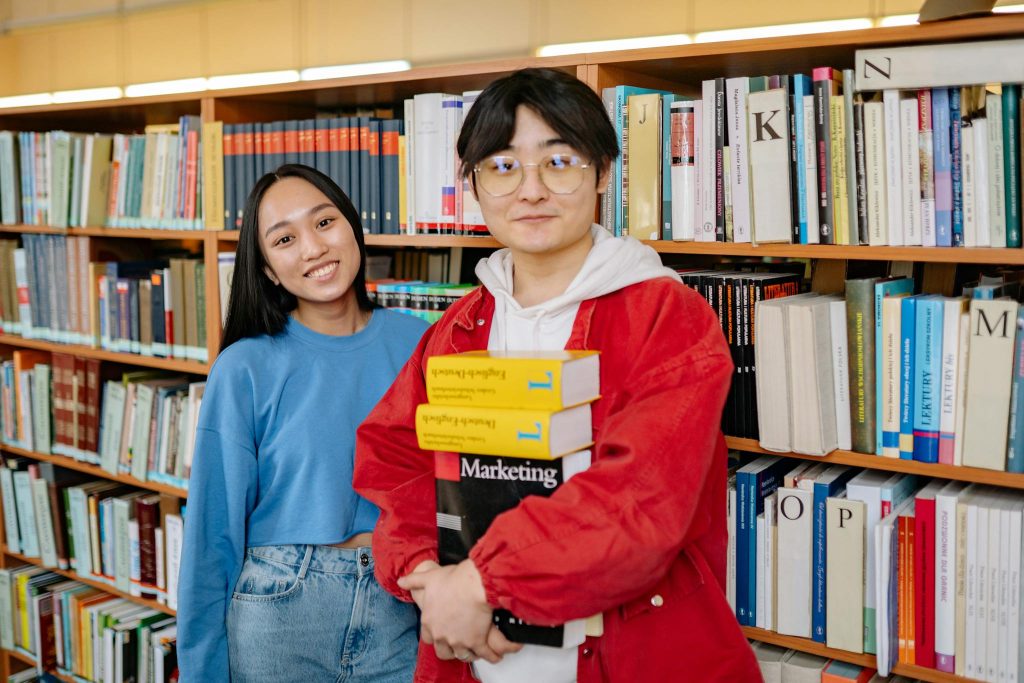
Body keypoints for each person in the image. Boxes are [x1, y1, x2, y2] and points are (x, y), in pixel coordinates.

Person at [354, 68, 760, 682]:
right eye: (502, 165)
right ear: (474, 184)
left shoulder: (667, 318)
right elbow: (399, 464)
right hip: (476, 659)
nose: (531, 189)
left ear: (602, 172)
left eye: (560, 160)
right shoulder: (459, 327)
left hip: (633, 655)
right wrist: (429, 579)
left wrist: (482, 581)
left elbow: (639, 505)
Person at [178, 164, 428, 682]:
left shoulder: (421, 344)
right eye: (285, 238)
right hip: (281, 612)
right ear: (268, 268)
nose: (313, 248)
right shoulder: (245, 366)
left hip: (402, 600)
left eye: (323, 223)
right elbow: (211, 535)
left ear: (352, 228)